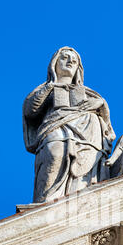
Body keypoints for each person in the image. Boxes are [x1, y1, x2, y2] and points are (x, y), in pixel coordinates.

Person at [23, 47, 115, 202]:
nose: (70, 61)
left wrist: (101, 104)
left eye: (74, 60)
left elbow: (107, 123)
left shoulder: (89, 92)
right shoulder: (46, 88)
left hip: (88, 134)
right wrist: (50, 86)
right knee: (55, 153)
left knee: (85, 166)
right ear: (54, 64)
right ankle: (46, 201)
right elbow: (30, 111)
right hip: (56, 126)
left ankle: (82, 199)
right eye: (64, 58)